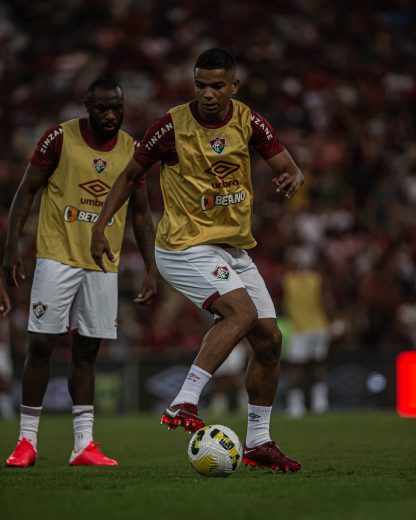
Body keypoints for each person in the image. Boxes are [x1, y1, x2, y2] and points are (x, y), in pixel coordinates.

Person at [91, 49, 304, 472]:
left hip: (231, 248)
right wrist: (100, 224)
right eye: (201, 85)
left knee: (269, 340)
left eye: (217, 86)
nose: (208, 94)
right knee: (240, 314)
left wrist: (291, 177)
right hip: (183, 246)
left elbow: (289, 166)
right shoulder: (170, 126)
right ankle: (184, 400)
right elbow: (131, 176)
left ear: (234, 87)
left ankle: (259, 441)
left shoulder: (249, 122)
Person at [3, 78, 157, 467]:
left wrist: (152, 268)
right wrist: (10, 252)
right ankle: (26, 441)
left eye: (116, 109)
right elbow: (26, 192)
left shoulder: (131, 150)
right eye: (102, 108)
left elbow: (140, 213)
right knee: (40, 344)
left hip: (102, 263)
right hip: (56, 255)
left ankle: (83, 445)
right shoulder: (59, 138)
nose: (110, 115)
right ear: (87, 106)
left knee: (87, 351)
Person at [282, 247, 332, 418]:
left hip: (300, 329)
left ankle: (296, 407)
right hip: (319, 326)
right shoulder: (316, 279)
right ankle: (320, 404)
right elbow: (327, 302)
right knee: (317, 365)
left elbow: (283, 304)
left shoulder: (287, 280)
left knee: (296, 367)